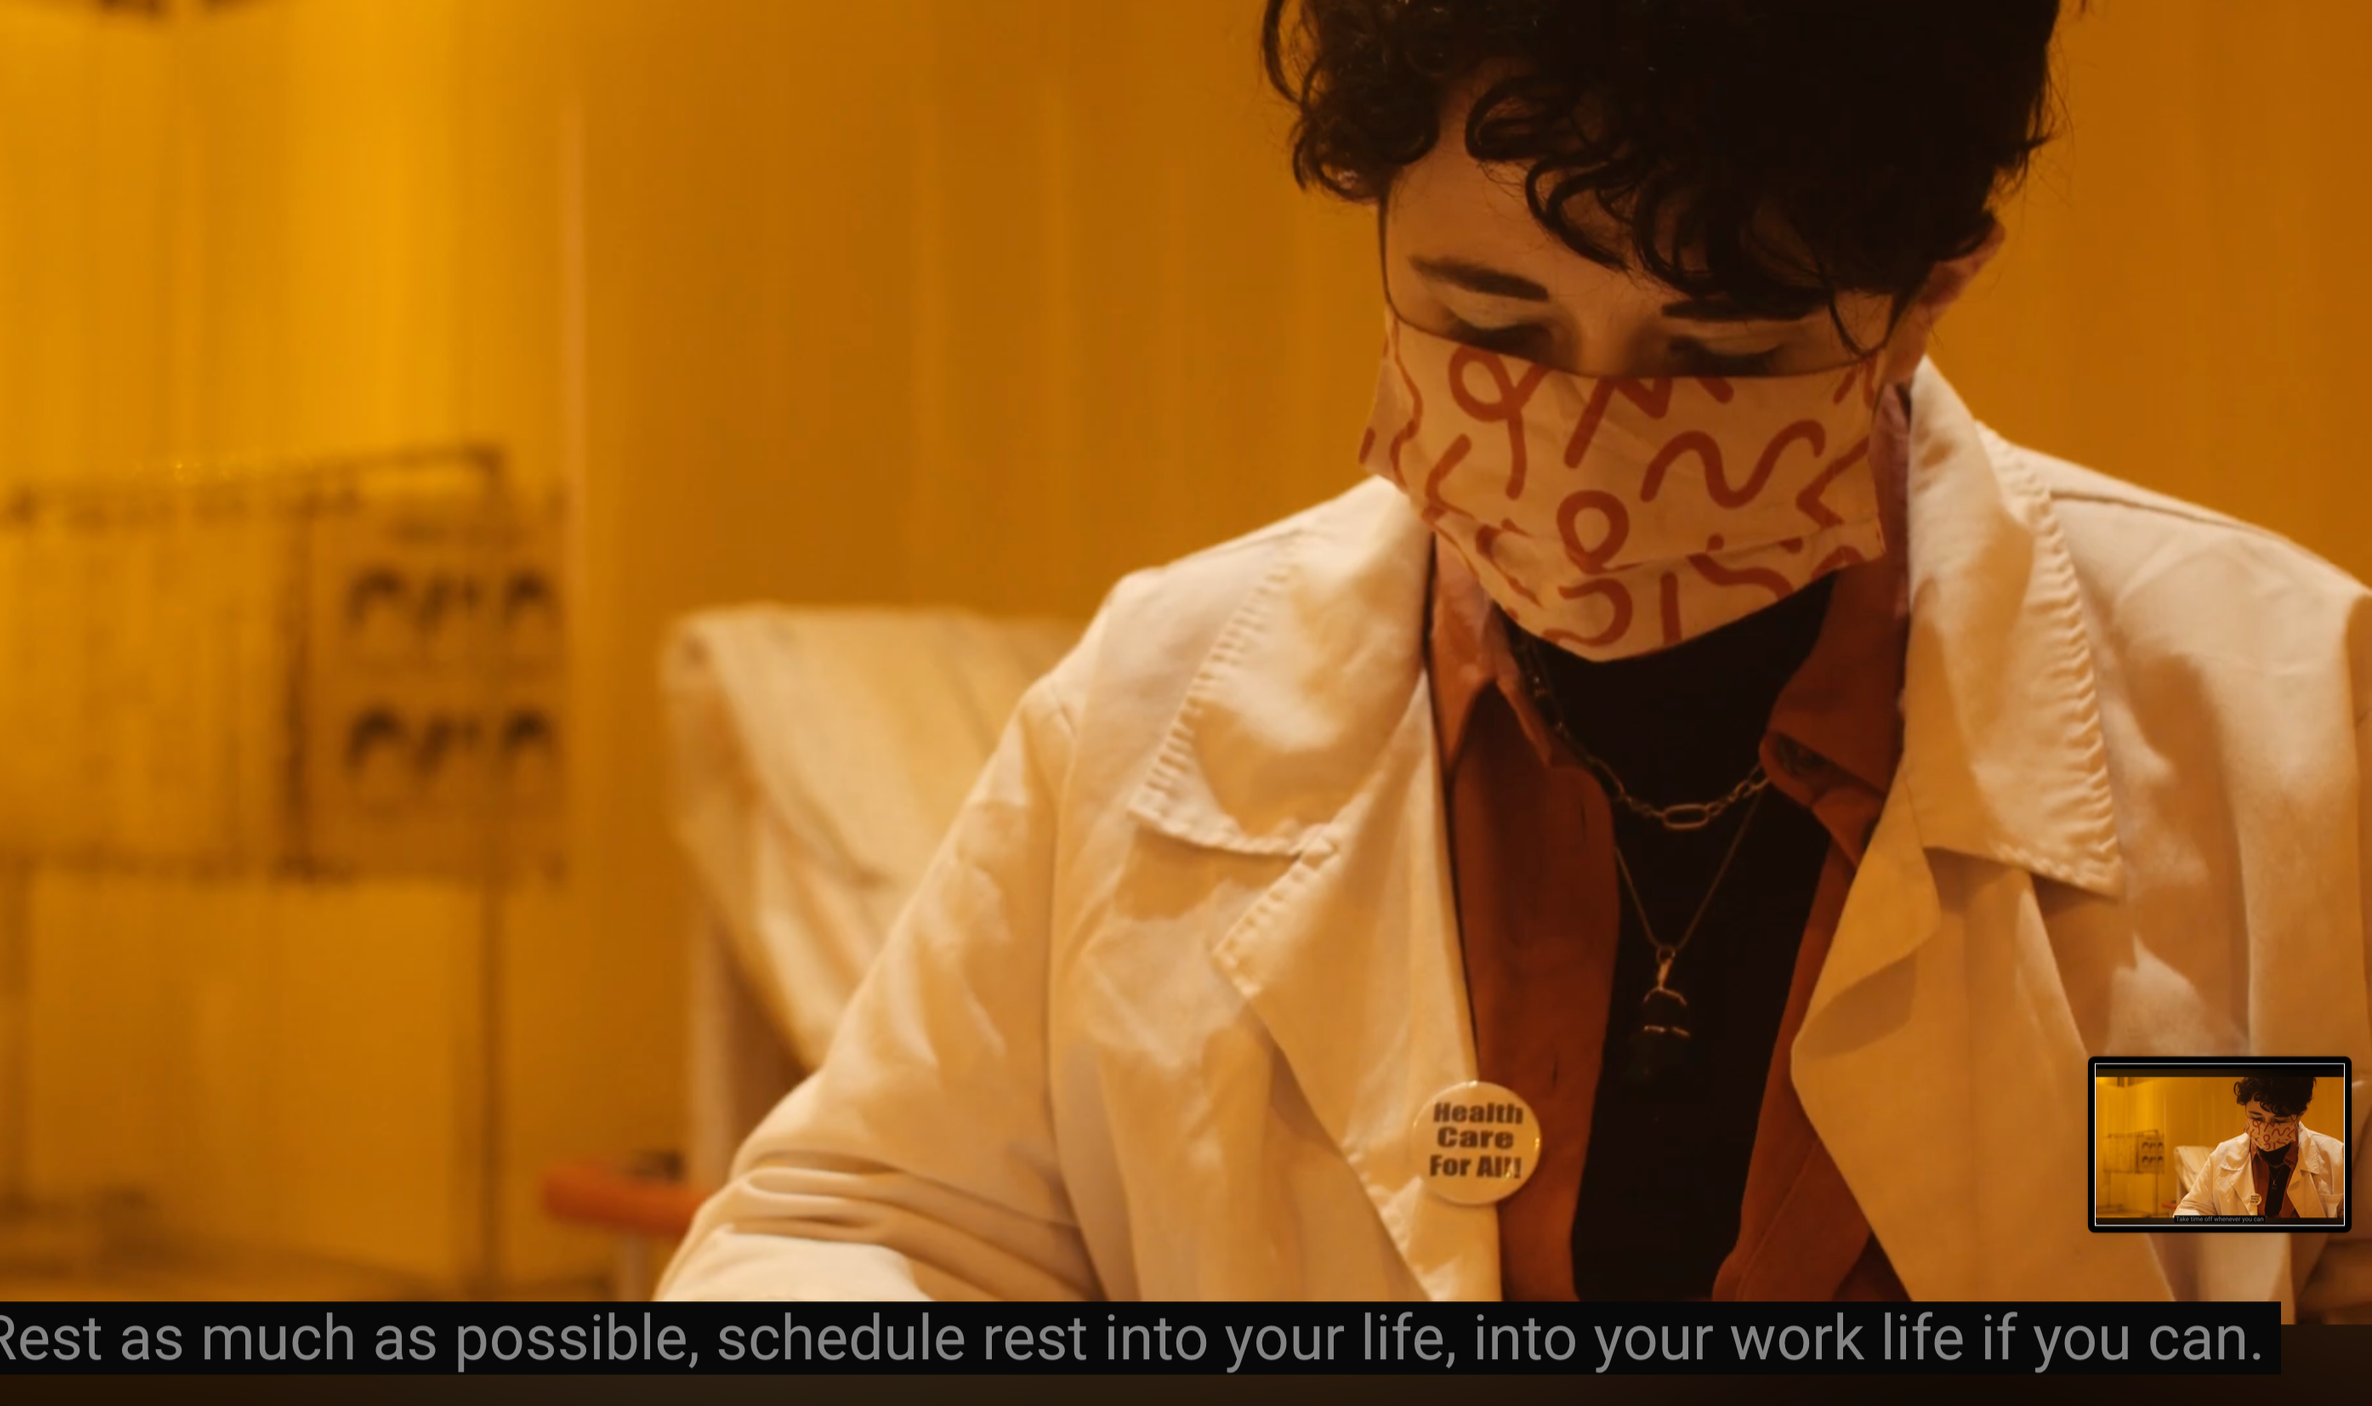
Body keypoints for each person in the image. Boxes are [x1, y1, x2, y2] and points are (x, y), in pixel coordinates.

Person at [659, 1, 2371, 1315]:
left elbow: (2331, 1260)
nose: (1592, 445)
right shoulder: (1158, 705)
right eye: (1491, 324)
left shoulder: (2285, 721)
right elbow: (857, 1228)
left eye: (1722, 351)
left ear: (1926, 296)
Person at [2175, 1076, 2349, 1222]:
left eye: (2278, 1121)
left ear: (2300, 1115)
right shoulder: (2222, 1157)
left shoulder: (2337, 1157)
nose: (2266, 1130)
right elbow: (2190, 1209)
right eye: (2256, 1118)